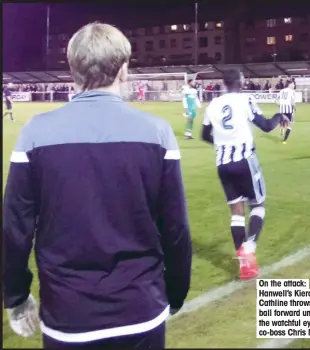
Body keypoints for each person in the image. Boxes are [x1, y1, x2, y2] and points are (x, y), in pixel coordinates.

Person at [3, 22, 192, 349]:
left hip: (68, 316)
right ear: (123, 70)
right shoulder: (157, 132)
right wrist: (176, 290)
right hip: (141, 310)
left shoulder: (35, 132)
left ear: (73, 69)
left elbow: (15, 226)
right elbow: (175, 228)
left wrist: (16, 295)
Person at [201, 70, 289, 280]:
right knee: (258, 206)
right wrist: (280, 116)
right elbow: (266, 126)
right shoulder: (245, 99)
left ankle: (245, 267)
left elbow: (204, 134)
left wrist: (223, 145)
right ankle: (249, 247)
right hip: (245, 161)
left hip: (223, 163)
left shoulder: (213, 104)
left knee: (237, 212)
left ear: (224, 83)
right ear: (240, 82)